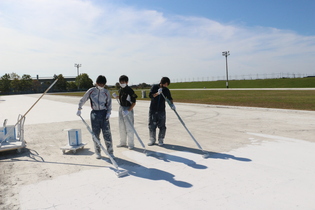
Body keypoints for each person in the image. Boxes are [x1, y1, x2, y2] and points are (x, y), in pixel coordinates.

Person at [76, 75, 113, 159]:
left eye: (103, 84)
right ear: (96, 83)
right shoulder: (91, 91)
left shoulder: (106, 92)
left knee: (107, 133)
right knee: (95, 134)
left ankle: (110, 152)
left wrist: (108, 113)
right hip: (95, 114)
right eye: (100, 84)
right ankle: (98, 152)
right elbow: (83, 99)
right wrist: (79, 108)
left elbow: (109, 103)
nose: (101, 86)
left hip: (104, 113)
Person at [148, 77, 175, 146]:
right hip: (153, 109)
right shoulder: (154, 87)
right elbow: (150, 96)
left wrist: (172, 105)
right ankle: (152, 139)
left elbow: (169, 98)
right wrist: (157, 93)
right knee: (152, 125)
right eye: (165, 84)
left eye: (167, 84)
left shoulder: (166, 90)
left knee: (162, 126)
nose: (166, 86)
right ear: (162, 82)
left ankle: (161, 139)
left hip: (161, 110)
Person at [112, 75, 137, 150]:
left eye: (123, 82)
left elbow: (134, 102)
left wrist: (128, 110)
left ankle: (131, 144)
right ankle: (123, 142)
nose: (122, 83)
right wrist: (116, 96)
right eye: (120, 82)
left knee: (129, 127)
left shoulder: (130, 90)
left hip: (128, 109)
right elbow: (122, 98)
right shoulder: (120, 90)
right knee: (121, 126)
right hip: (121, 108)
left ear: (127, 82)